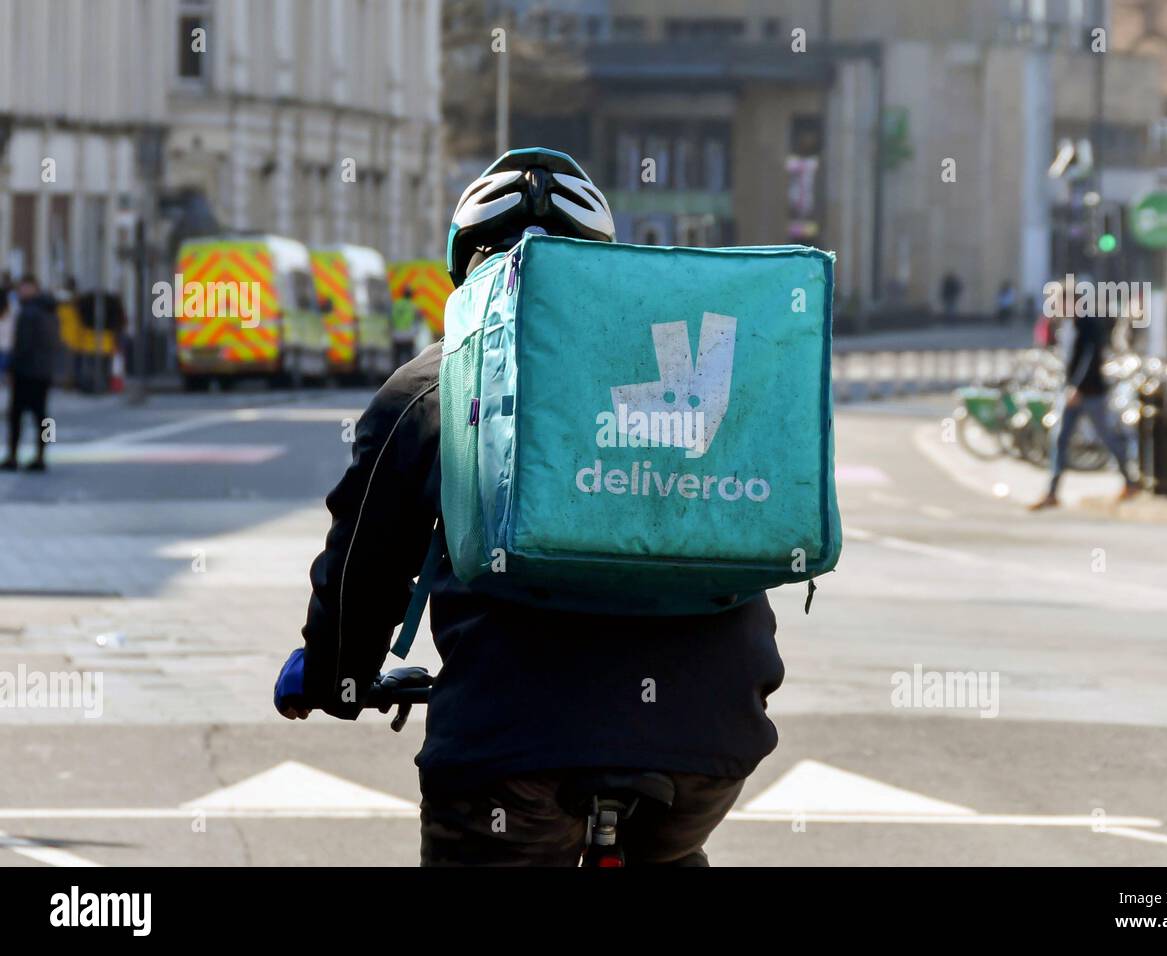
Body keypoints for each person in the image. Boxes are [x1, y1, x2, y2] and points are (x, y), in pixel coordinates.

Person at [273, 147, 784, 867]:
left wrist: (335, 675)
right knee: (667, 853)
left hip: (509, 748)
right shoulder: (681, 376)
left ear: (467, 269)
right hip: (709, 740)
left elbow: (365, 559)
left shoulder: (437, 381)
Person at [1029, 296, 1138, 510]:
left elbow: (1090, 357)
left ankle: (1130, 480)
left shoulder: (1088, 323)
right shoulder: (1068, 324)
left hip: (1090, 392)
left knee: (1106, 435)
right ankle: (1052, 491)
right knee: (1060, 438)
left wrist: (1077, 386)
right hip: (1071, 391)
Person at [3, 275, 61, 472]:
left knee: (16, 415)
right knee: (42, 416)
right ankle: (41, 455)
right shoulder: (51, 310)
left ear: (32, 289)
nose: (21, 291)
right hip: (44, 371)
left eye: (24, 288)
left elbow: (23, 345)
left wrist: (12, 368)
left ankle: (13, 456)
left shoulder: (28, 312)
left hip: (26, 371)